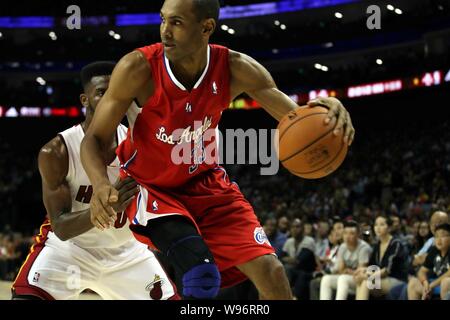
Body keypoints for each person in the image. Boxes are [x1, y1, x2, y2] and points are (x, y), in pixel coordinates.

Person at [80, 0, 354, 300]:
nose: (165, 32)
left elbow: (296, 120)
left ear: (206, 27)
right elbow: (93, 139)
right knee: (201, 275)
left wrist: (329, 112)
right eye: (163, 20)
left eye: (177, 23)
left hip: (206, 182)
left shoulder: (236, 68)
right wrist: (101, 184)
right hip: (150, 189)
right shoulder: (138, 68)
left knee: (272, 273)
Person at [12, 62, 177, 300]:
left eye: (118, 92)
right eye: (102, 92)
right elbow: (61, 228)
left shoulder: (140, 145)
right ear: (85, 99)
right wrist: (106, 208)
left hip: (128, 254)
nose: (112, 98)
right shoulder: (57, 152)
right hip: (70, 252)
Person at [355, 215, 407, 300]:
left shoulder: (396, 244)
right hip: (381, 278)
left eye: (382, 224)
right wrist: (362, 270)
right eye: (376, 225)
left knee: (366, 282)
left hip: (397, 279)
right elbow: (372, 266)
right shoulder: (377, 245)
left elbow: (387, 270)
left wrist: (367, 276)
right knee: (360, 281)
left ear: (389, 228)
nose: (378, 228)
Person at [320, 220, 371, 300]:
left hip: (363, 281)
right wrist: (349, 271)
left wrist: (348, 271)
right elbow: (341, 270)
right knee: (326, 279)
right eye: (345, 233)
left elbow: (360, 272)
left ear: (358, 235)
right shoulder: (343, 247)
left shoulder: (364, 248)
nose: (347, 236)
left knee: (343, 278)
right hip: (349, 277)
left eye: (351, 233)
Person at [407, 223, 450, 300]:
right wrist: (425, 283)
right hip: (436, 284)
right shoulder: (434, 250)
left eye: (443, 236)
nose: (439, 239)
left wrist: (432, 285)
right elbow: (421, 271)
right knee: (413, 283)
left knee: (446, 282)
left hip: (444, 284)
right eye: (436, 236)